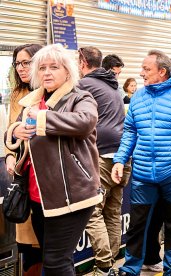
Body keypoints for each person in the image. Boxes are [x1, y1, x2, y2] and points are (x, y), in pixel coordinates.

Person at [5, 43, 102, 275]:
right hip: (38, 195)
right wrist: (15, 131)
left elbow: (85, 122)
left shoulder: (80, 97)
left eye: (54, 67)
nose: (47, 72)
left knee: (55, 262)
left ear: (68, 71)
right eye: (42, 68)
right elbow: (15, 130)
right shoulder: (30, 101)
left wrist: (43, 119)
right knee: (56, 258)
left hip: (70, 195)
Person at [111, 49, 171, 276]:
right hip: (143, 173)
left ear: (162, 71)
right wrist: (120, 160)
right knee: (137, 226)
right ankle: (130, 268)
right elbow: (130, 132)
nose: (141, 73)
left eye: (146, 69)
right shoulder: (139, 98)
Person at [77, 46, 131, 276]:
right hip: (122, 156)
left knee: (93, 212)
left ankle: (103, 266)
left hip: (102, 155)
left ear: (82, 62)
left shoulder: (84, 84)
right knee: (112, 211)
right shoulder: (113, 84)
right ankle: (112, 264)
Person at [5, 43, 43, 275]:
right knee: (26, 240)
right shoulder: (18, 94)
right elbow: (10, 128)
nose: (21, 67)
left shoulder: (49, 92)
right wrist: (10, 155)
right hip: (22, 173)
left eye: (26, 62)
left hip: (44, 174)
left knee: (46, 243)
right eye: (17, 63)